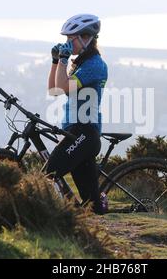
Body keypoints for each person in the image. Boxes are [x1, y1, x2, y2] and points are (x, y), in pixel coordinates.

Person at [46, 14, 108, 214]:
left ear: (86, 37)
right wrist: (56, 61)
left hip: (84, 132)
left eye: (70, 39)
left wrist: (64, 60)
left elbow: (63, 87)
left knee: (49, 173)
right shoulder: (81, 63)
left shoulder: (94, 65)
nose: (67, 43)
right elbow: (53, 90)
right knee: (92, 207)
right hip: (76, 132)